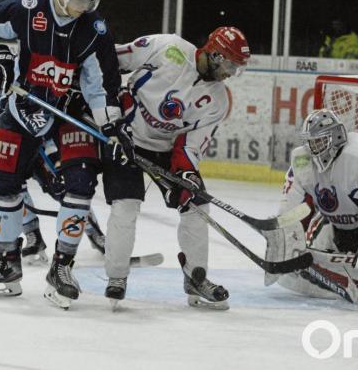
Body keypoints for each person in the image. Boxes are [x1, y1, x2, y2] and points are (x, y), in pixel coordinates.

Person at [0, 0, 127, 309]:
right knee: (2, 181)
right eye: (78, 0)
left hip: (71, 112)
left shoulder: (95, 29)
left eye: (90, 2)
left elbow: (101, 86)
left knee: (80, 184)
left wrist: (111, 126)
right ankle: (7, 263)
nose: (84, 8)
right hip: (23, 107)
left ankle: (62, 267)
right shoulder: (28, 7)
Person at [101, 27, 251, 310]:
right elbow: (112, 59)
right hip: (126, 136)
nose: (231, 73)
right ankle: (117, 277)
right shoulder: (168, 48)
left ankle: (196, 277)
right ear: (215, 54)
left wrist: (187, 174)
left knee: (196, 205)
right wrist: (110, 112)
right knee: (126, 205)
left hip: (167, 150)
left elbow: (191, 145)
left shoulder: (218, 100)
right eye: (230, 65)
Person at [272, 109, 358, 303]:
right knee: (294, 265)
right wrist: (285, 232)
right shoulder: (302, 160)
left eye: (319, 141)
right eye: (310, 142)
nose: (313, 148)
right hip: (332, 225)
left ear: (337, 136)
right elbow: (295, 204)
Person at [0, 97, 107, 266]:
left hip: (37, 146)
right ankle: (33, 235)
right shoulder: (1, 114)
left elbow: (53, 134)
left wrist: (55, 161)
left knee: (62, 187)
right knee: (12, 190)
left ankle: (94, 232)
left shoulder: (48, 104)